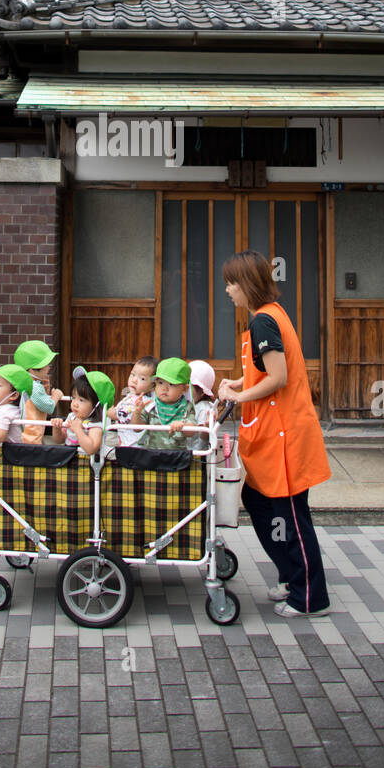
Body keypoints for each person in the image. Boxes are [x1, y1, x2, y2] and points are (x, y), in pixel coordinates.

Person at [219, 250, 332, 618]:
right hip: (276, 434)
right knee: (257, 501)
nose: (227, 291)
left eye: (231, 283)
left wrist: (237, 395)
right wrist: (240, 381)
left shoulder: (263, 323)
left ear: (247, 284)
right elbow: (267, 371)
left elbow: (279, 378)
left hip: (285, 436)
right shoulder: (269, 317)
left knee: (292, 515)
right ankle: (290, 575)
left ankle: (310, 598)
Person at [52, 365, 114, 456]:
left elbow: (91, 449)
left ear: (96, 405)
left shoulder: (95, 423)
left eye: (81, 400)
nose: (75, 403)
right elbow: (59, 440)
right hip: (69, 459)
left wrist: (78, 430)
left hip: (85, 463)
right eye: (73, 398)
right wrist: (57, 427)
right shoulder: (72, 417)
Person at [137, 357, 195, 450]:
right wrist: (137, 413)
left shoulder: (186, 407)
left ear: (184, 389)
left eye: (171, 384)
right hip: (151, 455)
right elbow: (137, 428)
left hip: (176, 457)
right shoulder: (150, 405)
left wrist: (182, 425)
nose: (164, 388)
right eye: (160, 383)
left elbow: (191, 432)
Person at [13, 339, 64, 443]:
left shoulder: (18, 383)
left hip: (19, 438)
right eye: (45, 365)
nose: (49, 368)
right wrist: (56, 396)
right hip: (30, 440)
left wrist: (45, 393)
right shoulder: (34, 386)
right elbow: (49, 406)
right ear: (32, 370)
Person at [106, 355, 157, 447]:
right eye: (132, 374)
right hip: (125, 442)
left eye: (142, 379)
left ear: (153, 385)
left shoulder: (146, 401)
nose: (134, 380)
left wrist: (113, 413)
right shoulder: (130, 396)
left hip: (135, 446)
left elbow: (125, 414)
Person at [188, 360, 218, 452]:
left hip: (196, 455)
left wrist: (206, 426)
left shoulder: (204, 408)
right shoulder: (184, 403)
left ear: (201, 392)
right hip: (182, 452)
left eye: (188, 388)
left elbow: (204, 437)